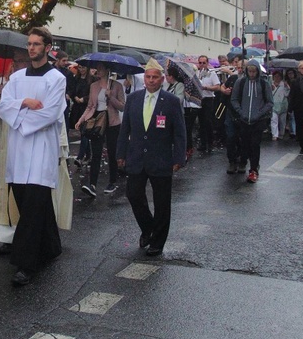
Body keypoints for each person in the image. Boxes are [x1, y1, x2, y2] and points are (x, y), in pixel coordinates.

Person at [0, 26, 66, 286]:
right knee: (28, 203)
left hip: (40, 150)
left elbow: (50, 114)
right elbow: (4, 106)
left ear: (47, 48)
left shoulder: (56, 79)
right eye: (29, 44)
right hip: (18, 150)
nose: (31, 48)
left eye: (37, 44)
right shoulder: (16, 78)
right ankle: (50, 247)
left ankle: (25, 264)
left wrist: (20, 118)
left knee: (34, 206)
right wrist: (24, 102)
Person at [117, 58, 186, 257]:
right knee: (133, 194)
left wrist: (178, 158)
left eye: (155, 77)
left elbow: (179, 132)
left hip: (161, 158)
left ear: (162, 79)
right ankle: (148, 228)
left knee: (162, 202)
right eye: (148, 77)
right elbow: (125, 129)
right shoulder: (134, 99)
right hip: (137, 157)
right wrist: (121, 154)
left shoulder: (171, 102)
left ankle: (158, 241)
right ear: (144, 79)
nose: (151, 80)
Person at [75, 63, 125, 196]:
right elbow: (90, 106)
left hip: (112, 122)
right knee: (96, 153)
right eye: (97, 68)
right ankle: (92, 184)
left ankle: (112, 182)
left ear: (107, 70)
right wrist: (81, 120)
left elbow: (122, 107)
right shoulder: (93, 86)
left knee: (112, 151)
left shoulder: (116, 86)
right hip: (97, 121)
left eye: (101, 68)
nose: (98, 71)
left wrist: (111, 97)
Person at [230, 59, 273, 183]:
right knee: (244, 144)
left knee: (255, 145)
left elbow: (269, 102)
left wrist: (259, 113)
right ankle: (243, 161)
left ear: (258, 71)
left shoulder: (264, 84)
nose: (252, 74)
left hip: (258, 120)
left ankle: (254, 169)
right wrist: (241, 112)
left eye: (254, 71)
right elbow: (234, 99)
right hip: (243, 120)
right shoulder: (241, 82)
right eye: (250, 71)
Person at [220, 56, 244, 174]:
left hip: (243, 114)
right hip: (231, 112)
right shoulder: (233, 78)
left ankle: (242, 159)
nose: (240, 70)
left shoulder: (248, 81)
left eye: (242, 68)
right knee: (230, 137)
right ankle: (232, 161)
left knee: (243, 138)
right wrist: (224, 90)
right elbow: (223, 86)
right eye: (238, 67)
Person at [69, 64, 93, 167]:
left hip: (87, 108)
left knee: (84, 132)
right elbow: (73, 91)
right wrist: (75, 97)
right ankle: (88, 155)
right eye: (80, 68)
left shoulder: (92, 79)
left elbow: (93, 94)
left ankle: (80, 156)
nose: (82, 69)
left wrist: (84, 99)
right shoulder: (77, 78)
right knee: (83, 132)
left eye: (83, 67)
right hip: (77, 108)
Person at [196, 55, 220, 152]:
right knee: (201, 123)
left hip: (208, 99)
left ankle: (210, 143)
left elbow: (217, 87)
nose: (202, 65)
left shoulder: (211, 73)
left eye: (203, 63)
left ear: (207, 63)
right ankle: (203, 143)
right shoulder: (197, 73)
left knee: (208, 122)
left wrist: (206, 87)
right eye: (200, 63)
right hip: (199, 99)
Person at [270, 71, 290, 141]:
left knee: (282, 121)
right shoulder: (270, 84)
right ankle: (274, 134)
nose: (277, 78)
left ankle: (281, 133)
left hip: (283, 105)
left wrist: (286, 87)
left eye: (278, 76)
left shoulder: (284, 84)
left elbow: (287, 94)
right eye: (275, 76)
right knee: (274, 120)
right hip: (274, 105)